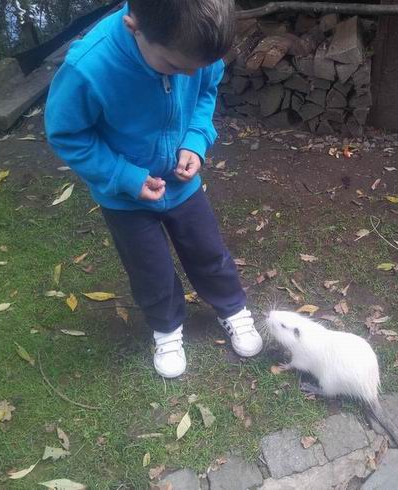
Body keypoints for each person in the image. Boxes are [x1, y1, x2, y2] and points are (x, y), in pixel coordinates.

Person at [44, 0, 263, 378]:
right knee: (149, 268)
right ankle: (166, 328)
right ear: (134, 28)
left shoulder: (194, 49)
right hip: (124, 197)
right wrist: (124, 177)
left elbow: (205, 92)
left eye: (197, 67)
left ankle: (232, 308)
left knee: (208, 251)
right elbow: (67, 134)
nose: (188, 75)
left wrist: (195, 139)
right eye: (177, 67)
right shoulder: (89, 67)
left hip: (182, 183)